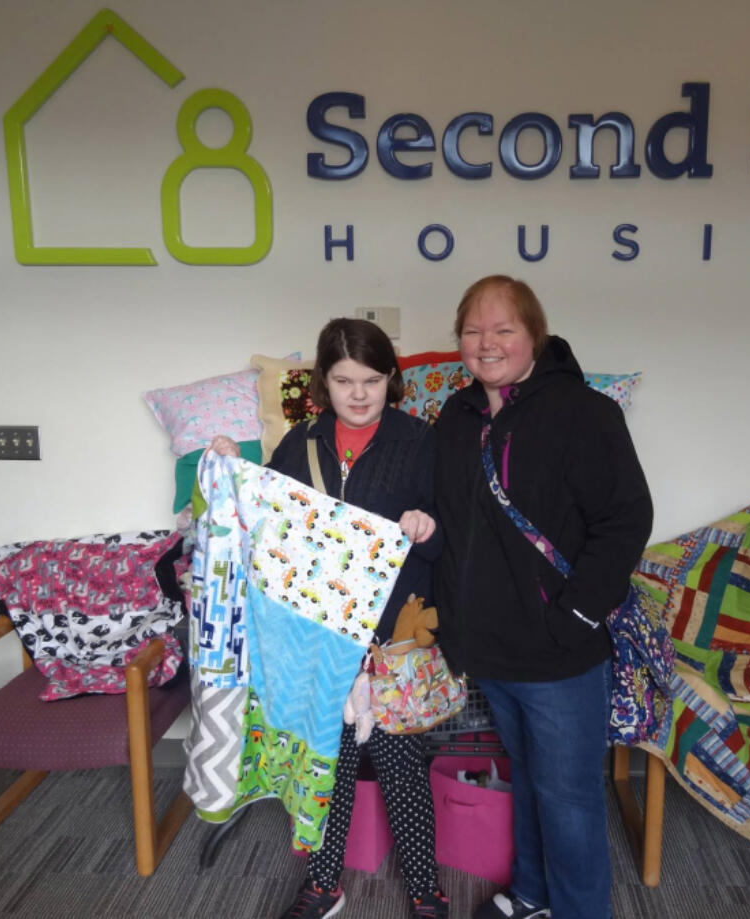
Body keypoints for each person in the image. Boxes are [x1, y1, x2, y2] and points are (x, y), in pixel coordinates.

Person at [211, 318, 447, 919]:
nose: (359, 393)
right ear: (324, 380)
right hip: (318, 635)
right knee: (326, 760)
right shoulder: (302, 442)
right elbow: (266, 528)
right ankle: (323, 883)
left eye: (372, 379)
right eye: (344, 380)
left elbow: (455, 540)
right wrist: (234, 473)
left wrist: (428, 530)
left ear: (392, 380)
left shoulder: (421, 442)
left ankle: (425, 888)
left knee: (400, 766)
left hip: (392, 638)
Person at [433, 276, 653, 919]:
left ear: (535, 336)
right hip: (490, 650)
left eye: (503, 329)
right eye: (473, 331)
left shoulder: (584, 413)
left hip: (560, 654)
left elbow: (625, 519)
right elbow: (446, 522)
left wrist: (576, 615)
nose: (487, 343)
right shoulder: (456, 418)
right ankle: (532, 895)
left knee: (571, 799)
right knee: (527, 780)